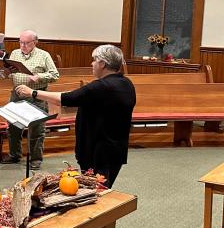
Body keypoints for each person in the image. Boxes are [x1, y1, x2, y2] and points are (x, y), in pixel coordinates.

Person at [16, 45, 135, 186]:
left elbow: (66, 99)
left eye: (94, 60)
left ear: (103, 64)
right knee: (102, 189)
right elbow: (83, 97)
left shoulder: (101, 87)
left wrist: (32, 92)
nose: (92, 64)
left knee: (96, 192)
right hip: (116, 148)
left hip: (98, 150)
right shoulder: (126, 84)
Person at [1, 30, 59, 169]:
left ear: (35, 42)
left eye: (27, 43)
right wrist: (7, 72)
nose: (23, 45)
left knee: (36, 129)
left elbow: (55, 75)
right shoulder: (15, 53)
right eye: (21, 42)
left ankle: (35, 159)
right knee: (13, 127)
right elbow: (9, 73)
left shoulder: (43, 55)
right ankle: (15, 155)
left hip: (36, 95)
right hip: (17, 94)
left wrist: (39, 76)